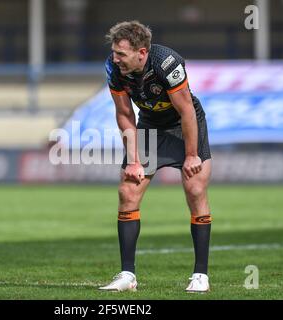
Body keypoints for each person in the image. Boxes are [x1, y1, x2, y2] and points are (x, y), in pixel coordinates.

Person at [98, 21, 212, 293]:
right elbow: (125, 114)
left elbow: (186, 111)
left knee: (195, 189)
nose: (115, 58)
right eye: (114, 52)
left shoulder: (167, 63)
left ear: (142, 52)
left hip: (184, 126)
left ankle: (200, 276)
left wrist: (192, 155)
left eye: (121, 54)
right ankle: (127, 275)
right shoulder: (114, 68)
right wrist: (135, 160)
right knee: (128, 192)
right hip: (149, 125)